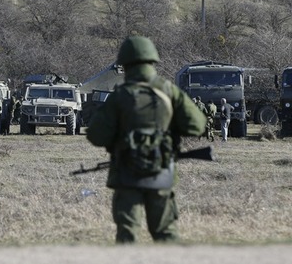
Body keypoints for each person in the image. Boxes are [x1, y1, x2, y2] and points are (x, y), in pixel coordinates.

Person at [86, 35, 206, 244]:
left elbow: (95, 135)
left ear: (124, 63)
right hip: (161, 170)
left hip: (126, 172)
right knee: (166, 233)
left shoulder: (120, 95)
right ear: (153, 60)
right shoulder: (169, 91)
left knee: (128, 235)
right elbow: (197, 125)